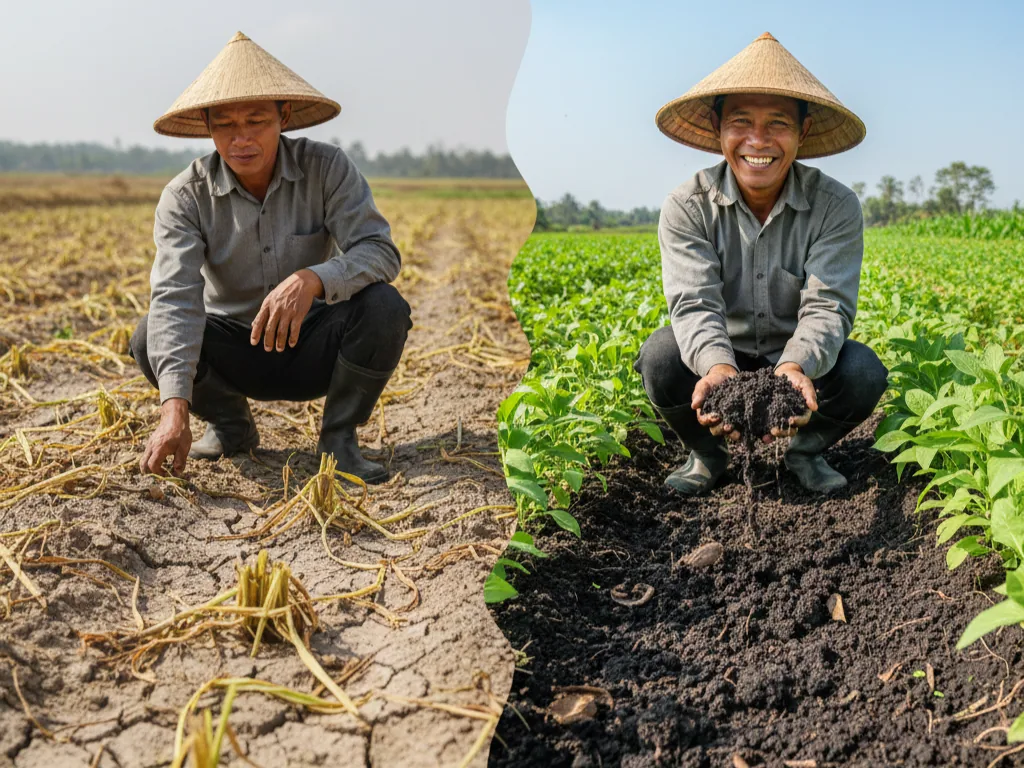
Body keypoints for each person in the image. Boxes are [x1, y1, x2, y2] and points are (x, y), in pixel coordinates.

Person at [130, 32, 411, 484]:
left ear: (284, 117)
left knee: (385, 307)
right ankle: (230, 427)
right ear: (206, 126)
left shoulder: (327, 168)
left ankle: (339, 438)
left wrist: (312, 279)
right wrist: (174, 410)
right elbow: (174, 298)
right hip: (236, 350)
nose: (241, 138)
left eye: (256, 120)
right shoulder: (185, 196)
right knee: (149, 335)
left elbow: (379, 251)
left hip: (314, 343)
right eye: (224, 124)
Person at [634, 32, 888, 496]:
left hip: (793, 357)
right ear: (717, 127)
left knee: (863, 372)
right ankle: (709, 455)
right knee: (661, 357)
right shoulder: (687, 206)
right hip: (723, 355)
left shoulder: (835, 206)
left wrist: (795, 367)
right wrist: (717, 370)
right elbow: (693, 304)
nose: (758, 140)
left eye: (777, 123)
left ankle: (804, 452)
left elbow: (827, 306)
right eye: (741, 121)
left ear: (802, 133)